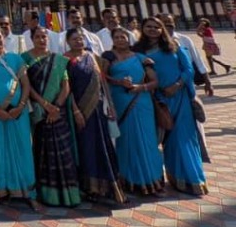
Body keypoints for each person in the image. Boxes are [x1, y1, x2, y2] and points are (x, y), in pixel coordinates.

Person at [136, 17, 207, 196]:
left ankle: (194, 179)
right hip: (158, 99)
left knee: (184, 138)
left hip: (180, 97)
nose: (152, 30)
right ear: (142, 29)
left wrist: (177, 85)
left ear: (162, 30)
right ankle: (176, 178)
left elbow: (188, 69)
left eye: (157, 27)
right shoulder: (138, 51)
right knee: (168, 140)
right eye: (148, 27)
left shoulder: (173, 45)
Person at [0, 27, 39, 210]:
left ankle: (27, 190)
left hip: (18, 111)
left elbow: (25, 84)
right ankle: (5, 190)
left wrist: (20, 105)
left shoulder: (15, 58)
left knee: (23, 146)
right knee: (1, 146)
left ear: (4, 38)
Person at [63, 28, 125, 205]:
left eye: (80, 38)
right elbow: (66, 89)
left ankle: (108, 185)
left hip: (98, 109)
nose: (78, 41)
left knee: (103, 146)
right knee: (85, 148)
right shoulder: (65, 60)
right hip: (80, 111)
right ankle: (89, 187)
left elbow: (102, 82)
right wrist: (75, 111)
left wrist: (110, 106)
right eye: (74, 39)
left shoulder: (92, 57)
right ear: (68, 42)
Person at [101, 26, 163, 196]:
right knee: (127, 140)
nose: (120, 39)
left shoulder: (141, 58)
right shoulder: (108, 58)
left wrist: (140, 87)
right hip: (120, 102)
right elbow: (102, 78)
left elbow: (155, 81)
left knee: (147, 140)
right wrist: (118, 83)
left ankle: (153, 180)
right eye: (117, 37)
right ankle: (130, 180)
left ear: (129, 39)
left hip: (141, 101)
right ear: (112, 40)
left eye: (123, 36)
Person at [22, 27, 81, 207]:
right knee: (43, 151)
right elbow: (28, 87)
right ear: (32, 39)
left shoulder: (58, 59)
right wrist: (46, 105)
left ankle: (69, 195)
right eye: (38, 37)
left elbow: (65, 85)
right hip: (41, 113)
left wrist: (56, 107)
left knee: (64, 151)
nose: (41, 40)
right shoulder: (25, 59)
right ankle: (48, 195)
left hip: (59, 112)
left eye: (44, 37)